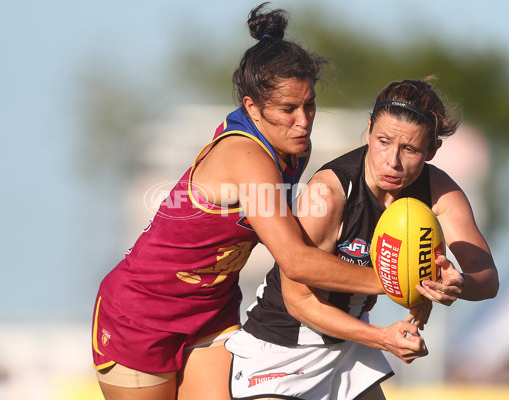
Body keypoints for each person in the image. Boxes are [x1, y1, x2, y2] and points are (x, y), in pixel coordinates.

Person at [91, 4, 401, 400]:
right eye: (288, 109)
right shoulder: (247, 155)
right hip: (141, 316)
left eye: (309, 104)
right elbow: (296, 259)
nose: (303, 120)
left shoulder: (291, 145)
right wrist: (395, 281)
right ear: (251, 107)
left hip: (210, 313)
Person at [226, 77, 500, 400]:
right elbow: (298, 300)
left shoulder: (439, 190)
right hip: (281, 349)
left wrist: (459, 285)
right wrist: (381, 336)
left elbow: (488, 277)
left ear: (432, 150)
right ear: (368, 129)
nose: (392, 161)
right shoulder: (329, 193)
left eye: (409, 149)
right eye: (383, 141)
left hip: (349, 352)